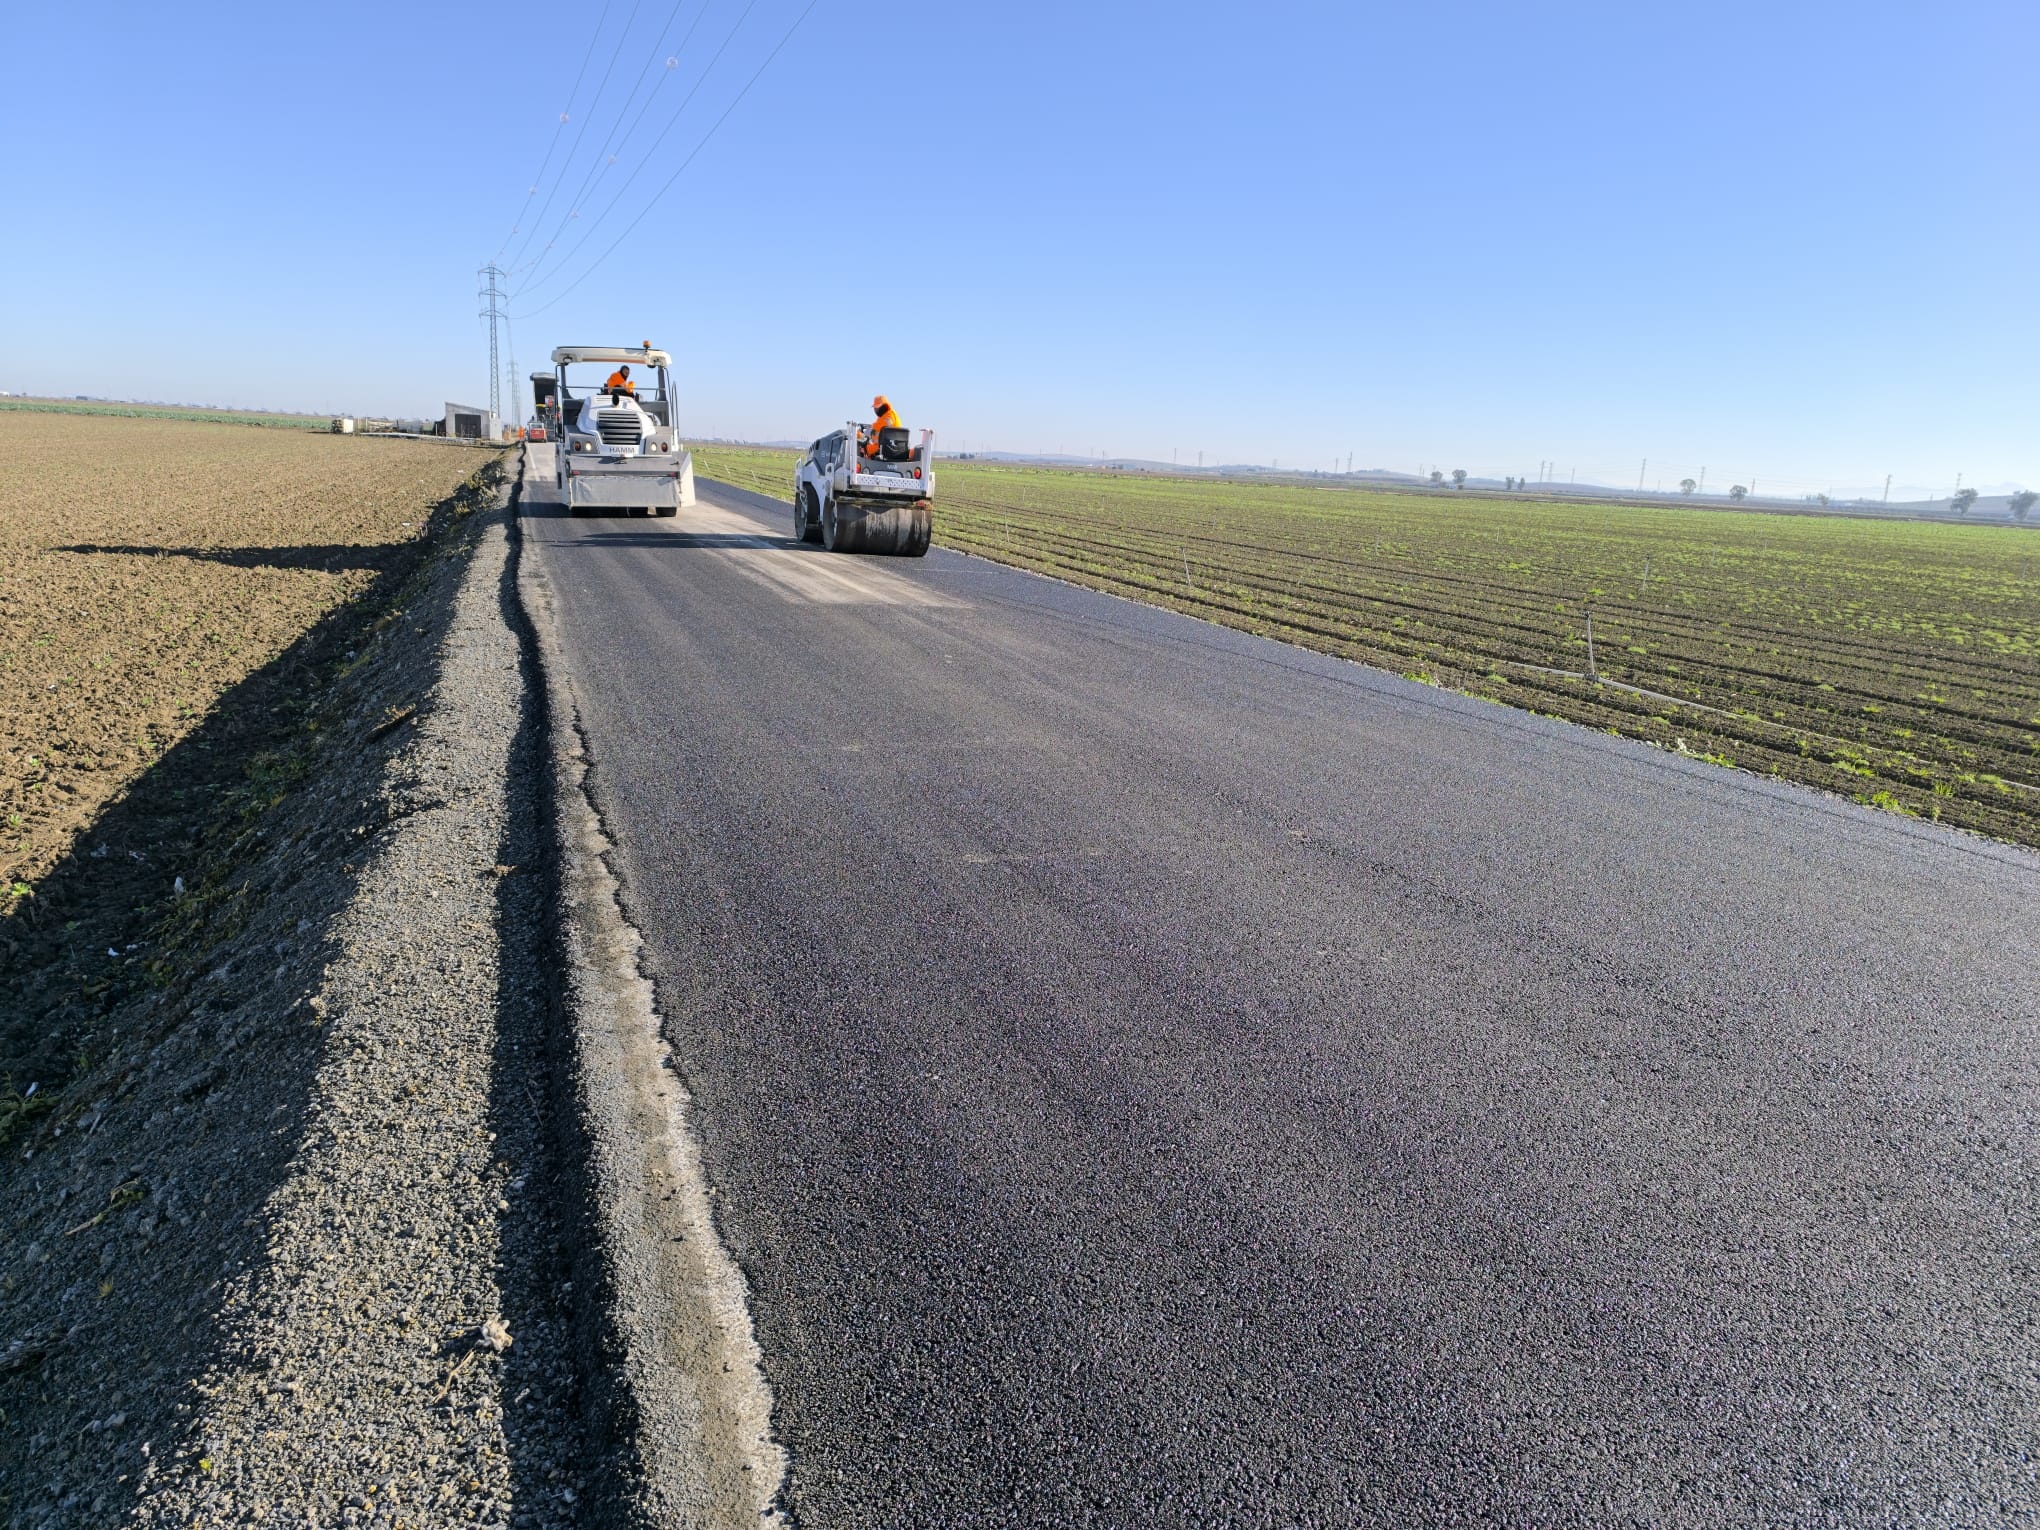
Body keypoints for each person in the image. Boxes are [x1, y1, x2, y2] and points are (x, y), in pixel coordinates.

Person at [862, 393, 900, 457]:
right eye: (875, 408)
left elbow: (873, 432)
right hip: (893, 448)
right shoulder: (892, 414)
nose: (876, 410)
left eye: (877, 408)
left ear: (884, 406)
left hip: (884, 448)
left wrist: (860, 435)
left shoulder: (886, 418)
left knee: (862, 449)